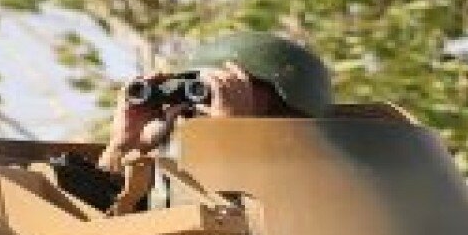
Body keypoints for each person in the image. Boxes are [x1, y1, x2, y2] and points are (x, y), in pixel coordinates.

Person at [98, 31, 333, 172]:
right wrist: (124, 147)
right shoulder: (170, 172)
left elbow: (239, 218)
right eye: (202, 89)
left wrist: (230, 135)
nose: (206, 104)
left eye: (230, 87)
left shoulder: (322, 172)